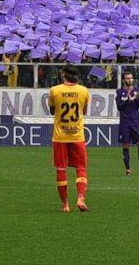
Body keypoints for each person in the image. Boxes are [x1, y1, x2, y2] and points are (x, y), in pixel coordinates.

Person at [49, 64, 90, 212]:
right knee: (81, 167)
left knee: (61, 168)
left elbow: (52, 111)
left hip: (60, 136)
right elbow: (84, 111)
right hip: (77, 135)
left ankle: (65, 204)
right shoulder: (84, 91)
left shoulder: (55, 90)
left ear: (64, 74)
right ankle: (80, 198)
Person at [115, 71, 139, 175]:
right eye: (127, 78)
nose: (129, 80)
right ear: (123, 80)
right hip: (124, 123)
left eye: (131, 78)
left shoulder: (138, 91)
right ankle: (128, 170)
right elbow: (119, 107)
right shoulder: (119, 92)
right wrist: (127, 100)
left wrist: (135, 99)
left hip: (135, 122)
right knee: (126, 145)